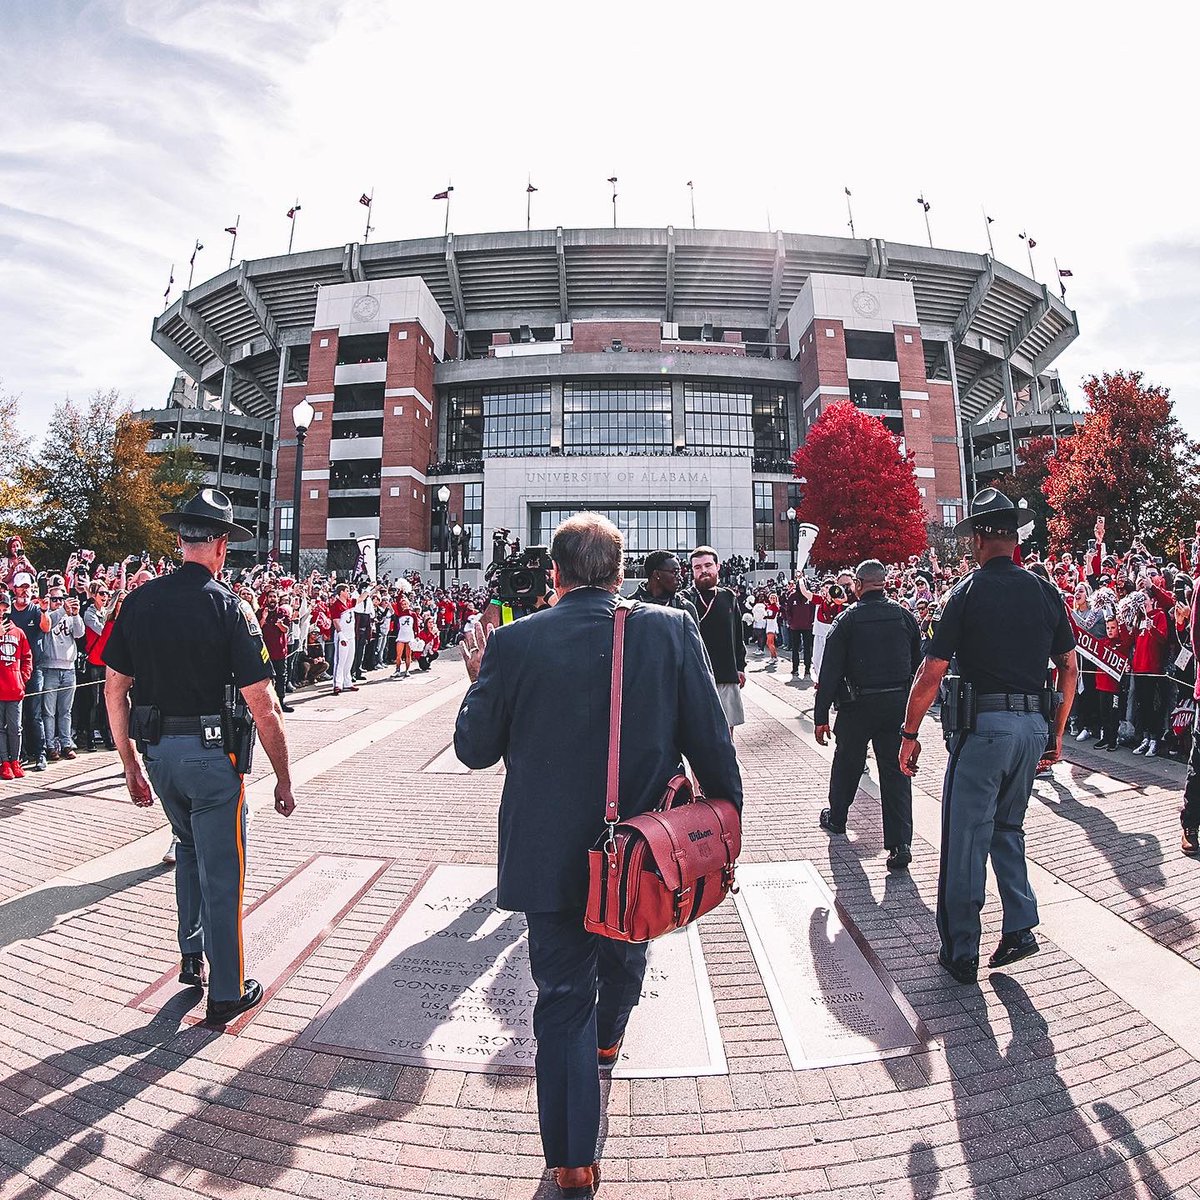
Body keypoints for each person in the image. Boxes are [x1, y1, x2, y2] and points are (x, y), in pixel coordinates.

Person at [454, 513, 742, 1200]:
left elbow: (473, 749)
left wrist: (477, 676)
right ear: (619, 573)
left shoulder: (514, 642)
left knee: (559, 1002)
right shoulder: (671, 629)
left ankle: (572, 1161)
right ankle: (609, 1042)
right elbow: (711, 740)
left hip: (549, 855)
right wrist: (726, 827)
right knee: (628, 954)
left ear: (555, 575)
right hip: (641, 851)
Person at [102, 489, 297, 1025]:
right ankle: (228, 988)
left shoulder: (138, 601)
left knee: (187, 850)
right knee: (223, 870)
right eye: (226, 541)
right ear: (217, 544)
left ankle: (191, 956)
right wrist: (283, 777)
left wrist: (129, 765)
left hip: (159, 753)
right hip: (213, 759)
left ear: (180, 539)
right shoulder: (228, 604)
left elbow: (113, 688)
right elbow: (263, 701)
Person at [898, 488, 1078, 984]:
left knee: (965, 838)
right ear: (1014, 538)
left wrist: (909, 733)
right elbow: (1069, 667)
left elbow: (932, 671)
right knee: (1008, 827)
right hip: (1030, 729)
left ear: (979, 538)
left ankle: (961, 949)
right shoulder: (1046, 591)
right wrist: (1056, 733)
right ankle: (1019, 925)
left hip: (985, 730)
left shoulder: (967, 591)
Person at [814, 559, 922, 870]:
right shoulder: (905, 617)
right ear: (884, 583)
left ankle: (837, 818)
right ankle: (900, 843)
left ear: (859, 586)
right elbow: (919, 667)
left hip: (856, 706)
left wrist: (821, 716)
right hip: (896, 706)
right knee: (896, 771)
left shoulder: (847, 620)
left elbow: (829, 672)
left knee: (847, 764)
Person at [680, 546, 747, 733]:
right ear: (692, 570)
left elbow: (738, 636)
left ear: (718, 566)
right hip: (695, 677)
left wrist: (740, 667)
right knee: (698, 736)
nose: (703, 571)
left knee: (727, 734)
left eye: (708, 565)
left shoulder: (728, 597)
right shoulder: (684, 599)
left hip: (726, 675)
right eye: (698, 567)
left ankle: (727, 764)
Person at [41, 582, 84, 761]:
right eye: (55, 599)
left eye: (62, 599)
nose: (59, 602)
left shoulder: (68, 615)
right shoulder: (48, 616)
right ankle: (50, 745)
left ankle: (66, 743)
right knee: (49, 711)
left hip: (69, 669)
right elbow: (48, 625)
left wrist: (75, 614)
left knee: (66, 711)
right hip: (50, 668)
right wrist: (63, 611)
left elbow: (80, 633)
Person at [0, 589, 33, 779]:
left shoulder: (18, 632)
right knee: (0, 728)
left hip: (14, 688)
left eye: (4, 608)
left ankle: (16, 760)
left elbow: (27, 657)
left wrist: (23, 678)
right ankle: (4, 761)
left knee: (15, 727)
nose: (1, 612)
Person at [631, 550, 699, 624]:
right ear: (657, 574)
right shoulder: (630, 606)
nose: (680, 578)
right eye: (675, 572)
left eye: (679, 572)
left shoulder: (685, 608)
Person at [329, 582, 358, 695]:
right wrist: (340, 634)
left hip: (351, 636)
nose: (348, 592)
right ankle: (337, 684)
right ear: (341, 592)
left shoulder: (350, 602)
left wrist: (372, 588)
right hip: (343, 636)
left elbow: (361, 599)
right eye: (346, 590)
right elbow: (335, 621)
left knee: (349, 660)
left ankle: (347, 682)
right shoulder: (336, 605)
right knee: (340, 661)